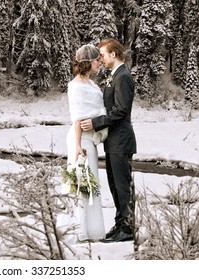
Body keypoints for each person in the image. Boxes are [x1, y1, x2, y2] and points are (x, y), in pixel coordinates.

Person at [80, 38, 137, 243]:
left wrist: (96, 123)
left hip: (121, 141)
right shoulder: (115, 76)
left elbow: (121, 110)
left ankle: (128, 228)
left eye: (102, 54)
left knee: (123, 186)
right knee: (115, 185)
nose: (100, 59)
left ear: (113, 54)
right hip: (113, 141)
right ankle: (121, 223)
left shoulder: (123, 77)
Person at [63, 44, 108, 242]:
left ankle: (93, 231)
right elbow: (77, 117)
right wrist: (78, 146)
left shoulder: (91, 84)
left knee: (92, 184)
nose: (100, 62)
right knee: (82, 184)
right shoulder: (75, 86)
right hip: (80, 139)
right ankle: (78, 232)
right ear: (87, 62)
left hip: (91, 139)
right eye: (97, 60)